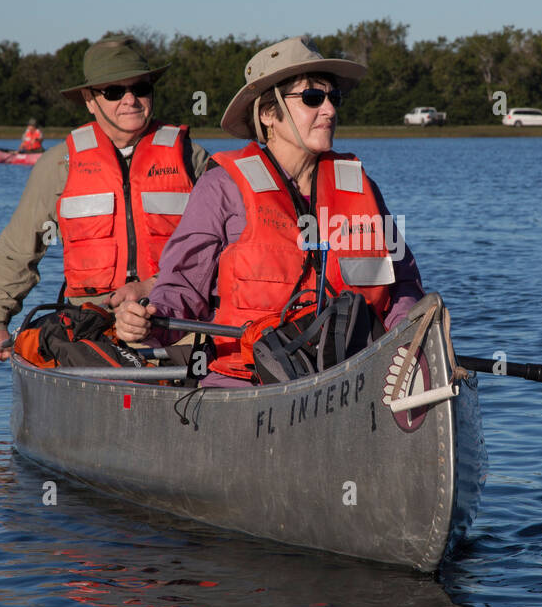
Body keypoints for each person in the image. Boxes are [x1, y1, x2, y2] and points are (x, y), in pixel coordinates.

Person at [112, 36, 425, 387]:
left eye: (333, 98)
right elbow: (182, 288)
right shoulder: (222, 188)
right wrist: (145, 320)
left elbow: (404, 286)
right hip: (251, 381)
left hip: (355, 378)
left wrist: (409, 338)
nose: (330, 110)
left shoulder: (360, 185)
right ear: (268, 114)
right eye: (312, 99)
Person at [0, 35, 210, 365]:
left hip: (171, 317)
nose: (130, 100)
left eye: (140, 88)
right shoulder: (58, 164)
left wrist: (151, 286)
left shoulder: (191, 158)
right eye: (113, 92)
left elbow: (225, 248)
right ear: (89, 100)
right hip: (91, 323)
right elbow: (18, 250)